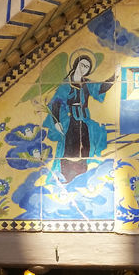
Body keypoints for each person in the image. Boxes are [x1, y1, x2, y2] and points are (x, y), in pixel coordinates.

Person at [44, 52, 115, 183]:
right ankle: (66, 176)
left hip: (84, 120)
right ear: (76, 64)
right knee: (70, 149)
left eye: (87, 67)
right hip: (70, 120)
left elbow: (101, 88)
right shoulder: (66, 84)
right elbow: (55, 104)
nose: (84, 68)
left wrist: (114, 76)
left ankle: (81, 177)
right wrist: (56, 122)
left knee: (85, 148)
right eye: (82, 65)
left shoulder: (87, 84)